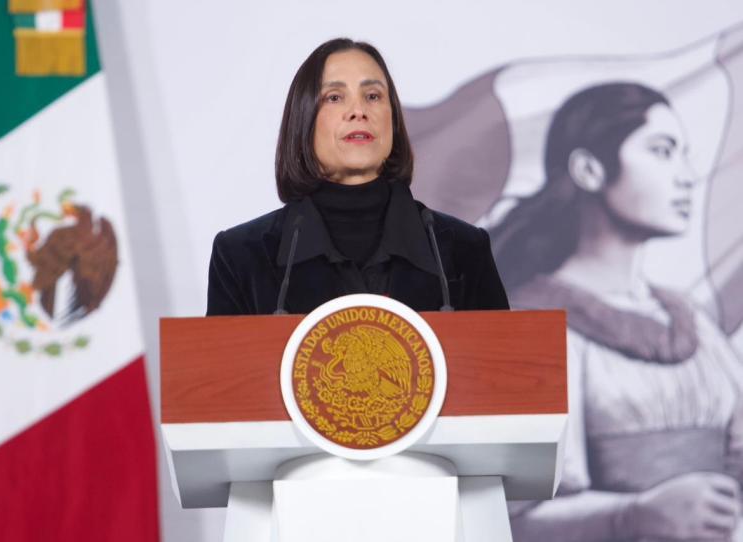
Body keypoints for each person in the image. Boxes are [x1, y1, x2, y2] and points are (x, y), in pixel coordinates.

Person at [491, 82, 743, 541]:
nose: (686, 176)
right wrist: (633, 515)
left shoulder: (692, 321)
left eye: (684, 155)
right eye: (662, 151)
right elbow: (509, 517)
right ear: (589, 170)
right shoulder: (529, 325)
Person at [206, 38, 509, 316]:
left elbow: (505, 357)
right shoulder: (241, 256)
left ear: (393, 119)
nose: (358, 111)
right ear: (303, 119)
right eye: (335, 97)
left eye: (373, 96)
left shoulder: (463, 250)